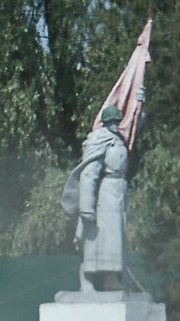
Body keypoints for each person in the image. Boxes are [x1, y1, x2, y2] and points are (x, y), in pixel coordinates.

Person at [62, 104, 129, 292]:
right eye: (112, 121)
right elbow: (89, 174)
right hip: (105, 195)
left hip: (119, 194)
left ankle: (113, 276)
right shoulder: (99, 140)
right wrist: (86, 206)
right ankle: (91, 279)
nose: (115, 124)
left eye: (117, 120)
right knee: (97, 240)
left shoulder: (118, 140)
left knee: (115, 239)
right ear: (106, 123)